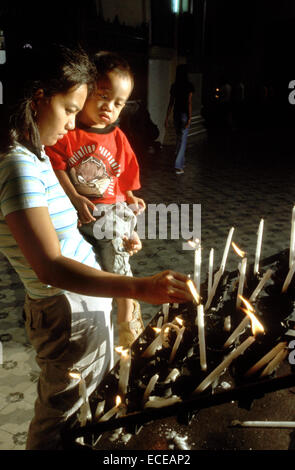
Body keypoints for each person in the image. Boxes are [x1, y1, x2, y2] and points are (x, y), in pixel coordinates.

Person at [0, 43, 192, 450]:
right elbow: (50, 265)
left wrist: (119, 223)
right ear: (38, 100)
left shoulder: (32, 156)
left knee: (78, 411)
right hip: (65, 312)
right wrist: (138, 287)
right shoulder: (15, 165)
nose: (72, 124)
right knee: (59, 421)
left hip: (80, 307)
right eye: (70, 109)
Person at [46, 52, 146, 349]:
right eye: (103, 96)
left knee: (118, 261)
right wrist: (75, 197)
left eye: (119, 103)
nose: (109, 107)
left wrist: (131, 198)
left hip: (109, 214)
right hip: (77, 215)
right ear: (87, 90)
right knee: (87, 276)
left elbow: (125, 181)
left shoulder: (118, 139)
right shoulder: (68, 131)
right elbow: (57, 165)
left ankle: (128, 319)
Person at [165, 64, 194, 175]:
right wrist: (190, 118)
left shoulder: (174, 86)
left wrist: (167, 117)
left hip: (176, 114)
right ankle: (178, 165)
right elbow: (189, 102)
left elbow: (171, 102)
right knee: (183, 140)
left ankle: (181, 161)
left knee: (179, 138)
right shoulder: (189, 86)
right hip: (184, 114)